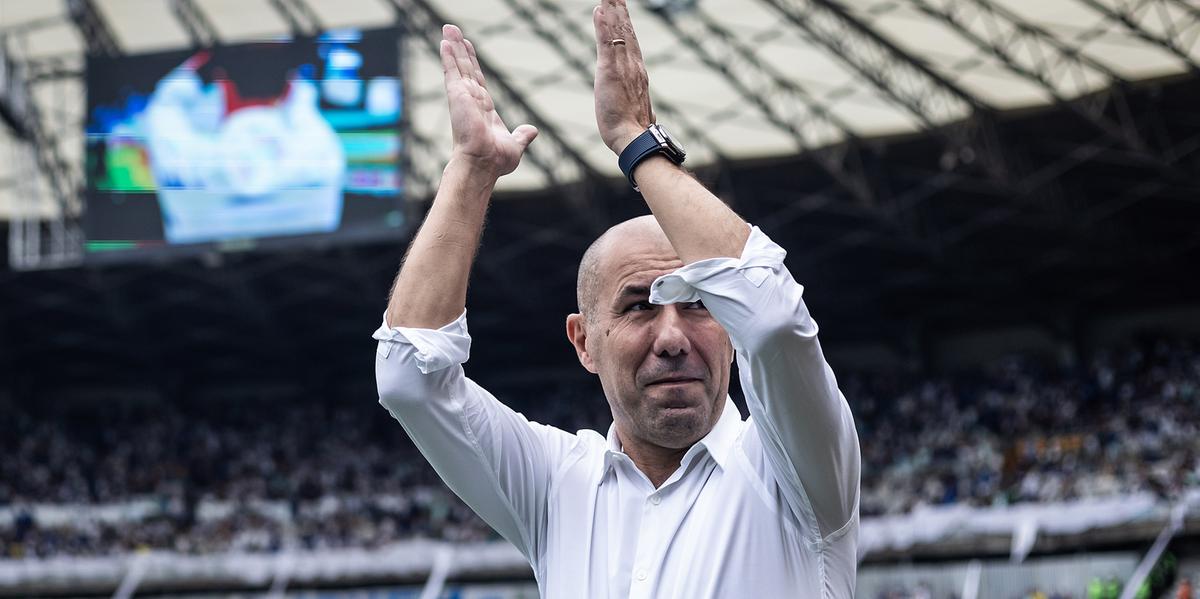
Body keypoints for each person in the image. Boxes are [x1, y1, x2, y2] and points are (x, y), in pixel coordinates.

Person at [373, 1, 860, 596]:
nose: (674, 338)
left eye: (701, 303)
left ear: (731, 324)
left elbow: (776, 323)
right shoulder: (554, 484)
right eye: (638, 306)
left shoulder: (799, 470)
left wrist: (636, 140)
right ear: (584, 341)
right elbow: (408, 379)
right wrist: (471, 171)